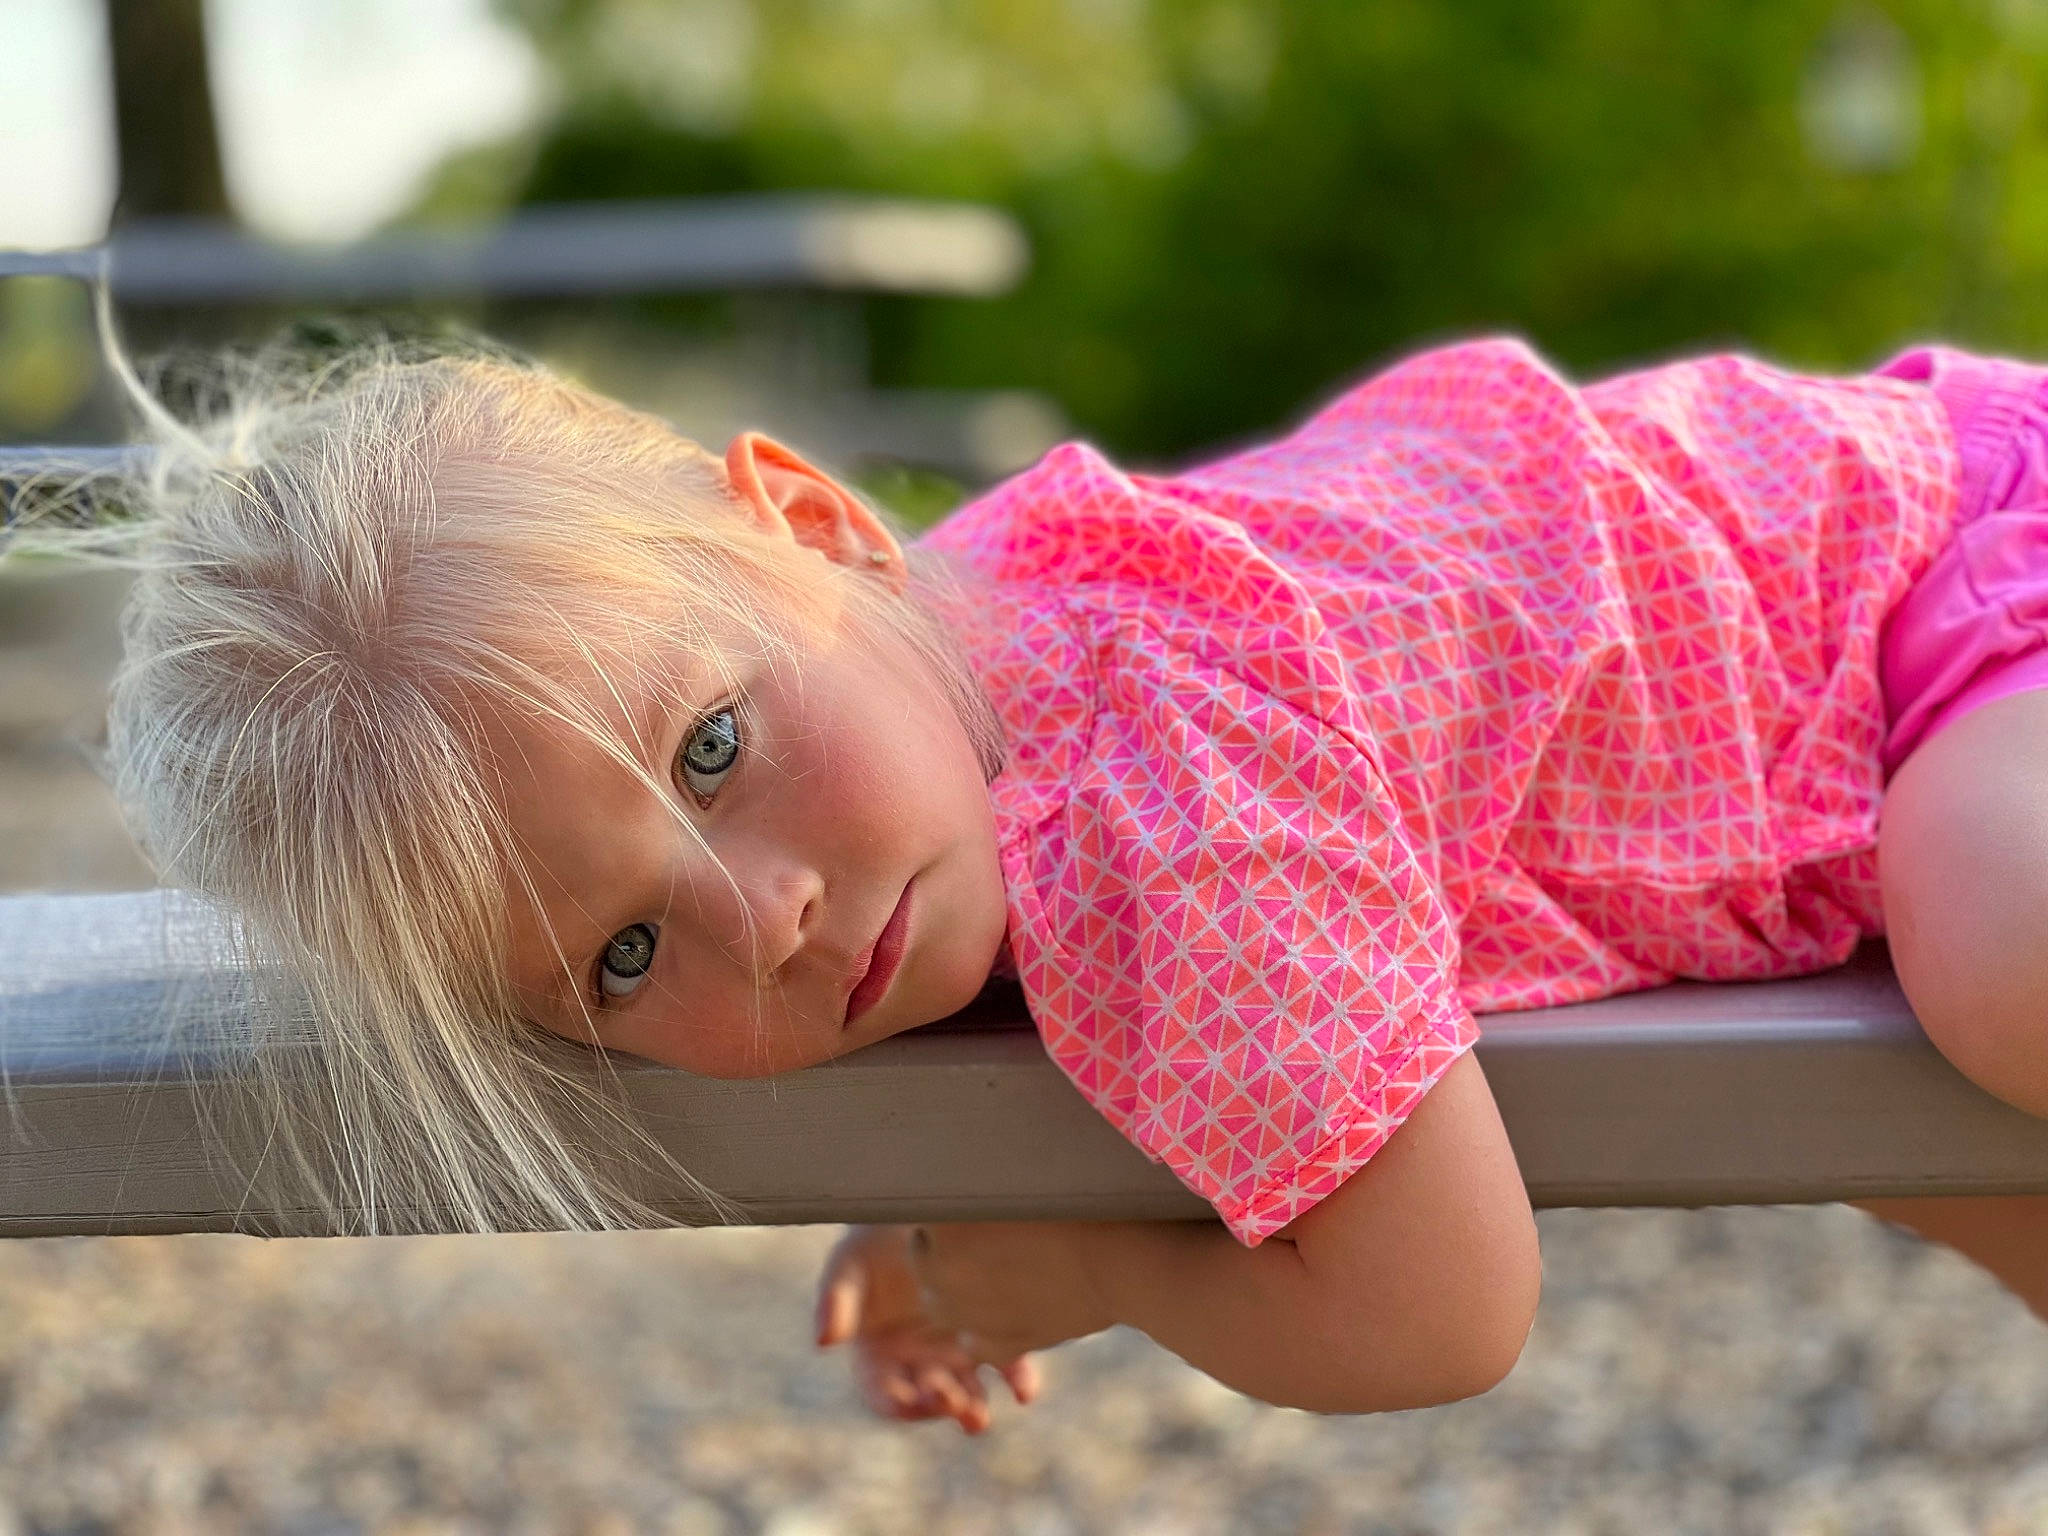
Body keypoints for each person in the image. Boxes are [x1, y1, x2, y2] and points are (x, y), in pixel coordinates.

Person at [32, 331, 2048, 1434]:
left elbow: (1445, 1316)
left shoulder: (1182, 826)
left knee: (2005, 971)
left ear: (817, 525)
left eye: (713, 749)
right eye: (624, 955)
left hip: (1944, 573)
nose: (768, 923)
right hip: (1847, 691)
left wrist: (1070, 1270)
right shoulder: (946, 651)